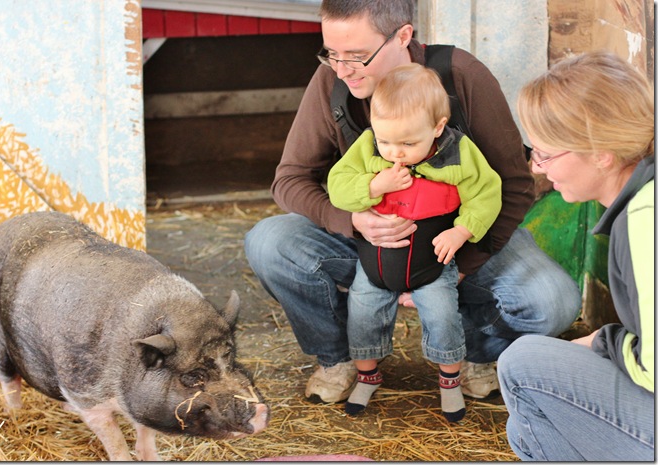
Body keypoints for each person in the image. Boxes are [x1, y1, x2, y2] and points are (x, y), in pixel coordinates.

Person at [244, 0, 581, 405]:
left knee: (553, 302)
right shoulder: (332, 81)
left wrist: (460, 263)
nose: (342, 69)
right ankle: (341, 356)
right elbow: (289, 180)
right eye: (331, 53)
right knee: (268, 241)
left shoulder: (461, 76)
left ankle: (474, 351)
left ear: (403, 36)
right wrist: (351, 220)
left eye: (356, 55)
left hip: (459, 238)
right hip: (370, 243)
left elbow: (514, 185)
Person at [497, 51, 654, 461]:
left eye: (545, 154)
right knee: (528, 423)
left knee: (522, 363)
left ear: (601, 153)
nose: (537, 168)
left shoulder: (644, 218)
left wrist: (607, 341)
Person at [327, 63, 502, 421]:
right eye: (386, 141)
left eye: (408, 143)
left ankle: (450, 381)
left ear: (437, 127)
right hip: (375, 262)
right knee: (362, 316)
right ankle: (367, 376)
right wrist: (373, 186)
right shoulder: (367, 147)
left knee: (443, 317)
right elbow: (338, 185)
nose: (395, 153)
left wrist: (462, 230)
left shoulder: (458, 152)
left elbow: (487, 192)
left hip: (432, 263)